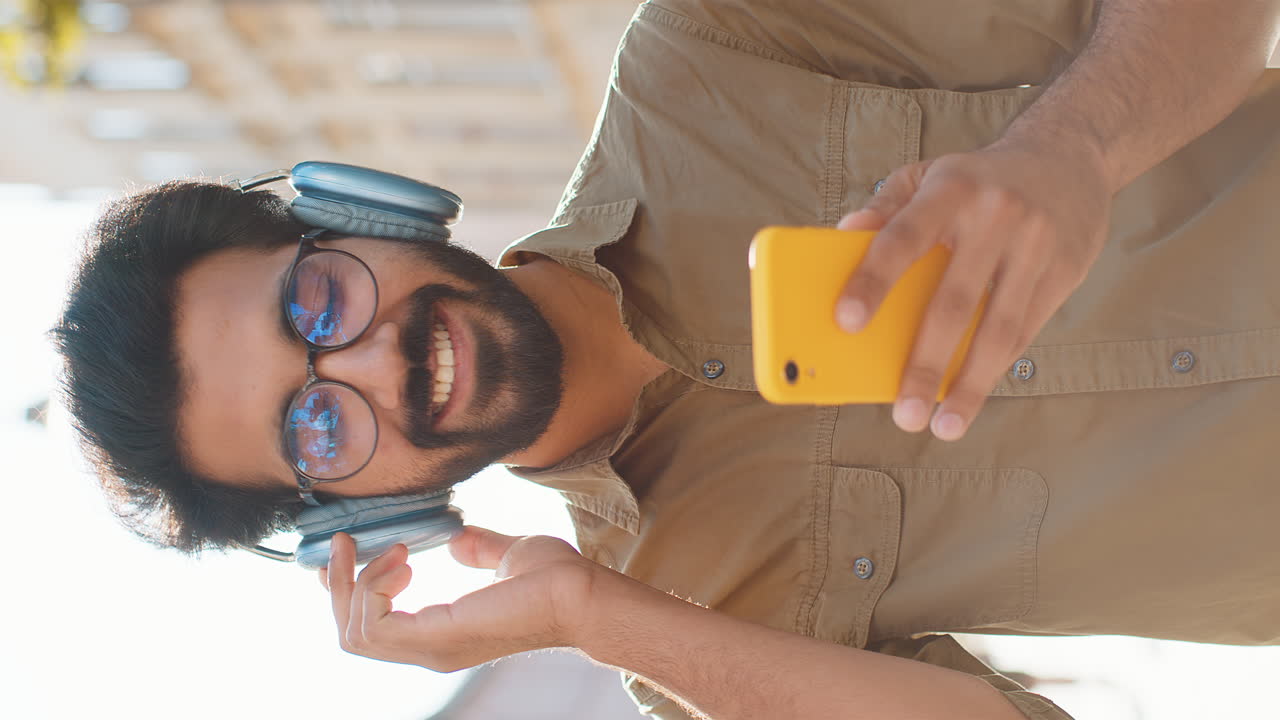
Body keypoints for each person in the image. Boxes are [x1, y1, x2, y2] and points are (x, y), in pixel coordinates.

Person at [53, 1, 1280, 718]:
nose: (373, 365)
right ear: (352, 524)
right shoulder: (680, 631)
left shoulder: (712, 50)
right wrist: (597, 618)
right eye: (317, 429)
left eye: (315, 303)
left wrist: (1069, 150)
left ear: (357, 213)